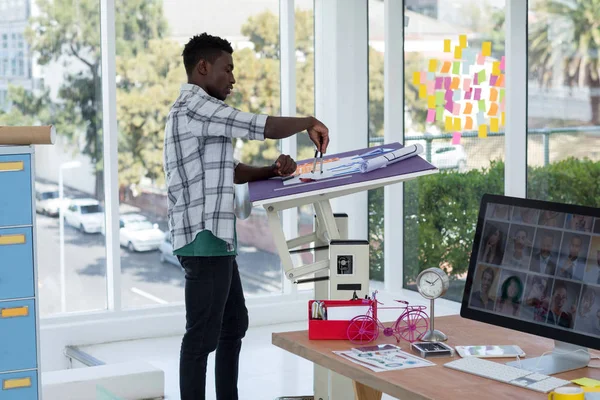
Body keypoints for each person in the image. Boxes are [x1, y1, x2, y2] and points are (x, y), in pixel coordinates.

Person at [163, 33, 330, 400]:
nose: (232, 79)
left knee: (233, 323)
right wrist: (307, 122)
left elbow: (231, 170)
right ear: (202, 67)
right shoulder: (195, 106)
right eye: (228, 69)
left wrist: (271, 171)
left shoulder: (199, 112)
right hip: (204, 239)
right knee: (201, 337)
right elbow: (262, 127)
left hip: (215, 239)